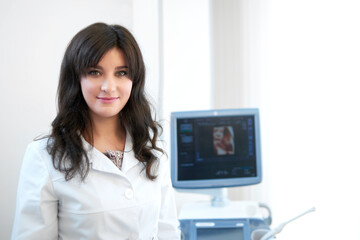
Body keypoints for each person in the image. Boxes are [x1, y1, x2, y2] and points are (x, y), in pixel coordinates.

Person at [11, 22, 180, 240]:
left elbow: (168, 232)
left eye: (121, 73)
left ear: (134, 80)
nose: (109, 86)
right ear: (76, 78)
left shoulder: (151, 150)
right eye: (95, 72)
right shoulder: (44, 157)